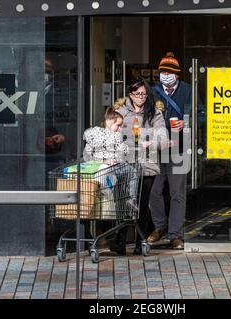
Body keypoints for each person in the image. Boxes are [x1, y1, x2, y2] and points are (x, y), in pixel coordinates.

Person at [111, 78, 168, 255]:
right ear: (130, 94)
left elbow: (163, 139)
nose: (140, 97)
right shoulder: (120, 111)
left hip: (146, 165)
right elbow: (111, 132)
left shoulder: (154, 113)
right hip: (125, 164)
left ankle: (140, 241)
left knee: (142, 204)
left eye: (143, 94)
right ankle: (120, 240)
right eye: (137, 94)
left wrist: (146, 140)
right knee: (125, 202)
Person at [148, 52, 193, 249]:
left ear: (177, 74)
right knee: (153, 191)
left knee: (177, 193)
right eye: (162, 72)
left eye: (169, 72)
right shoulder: (153, 91)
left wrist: (187, 123)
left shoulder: (188, 91)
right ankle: (159, 227)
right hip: (157, 149)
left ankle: (176, 234)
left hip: (179, 147)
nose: (165, 75)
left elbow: (200, 113)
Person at [82, 106, 138, 211]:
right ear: (109, 122)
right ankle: (127, 199)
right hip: (102, 169)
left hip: (114, 168)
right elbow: (88, 155)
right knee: (128, 173)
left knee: (131, 171)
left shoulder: (116, 136)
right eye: (118, 125)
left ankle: (131, 199)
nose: (120, 128)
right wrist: (104, 161)